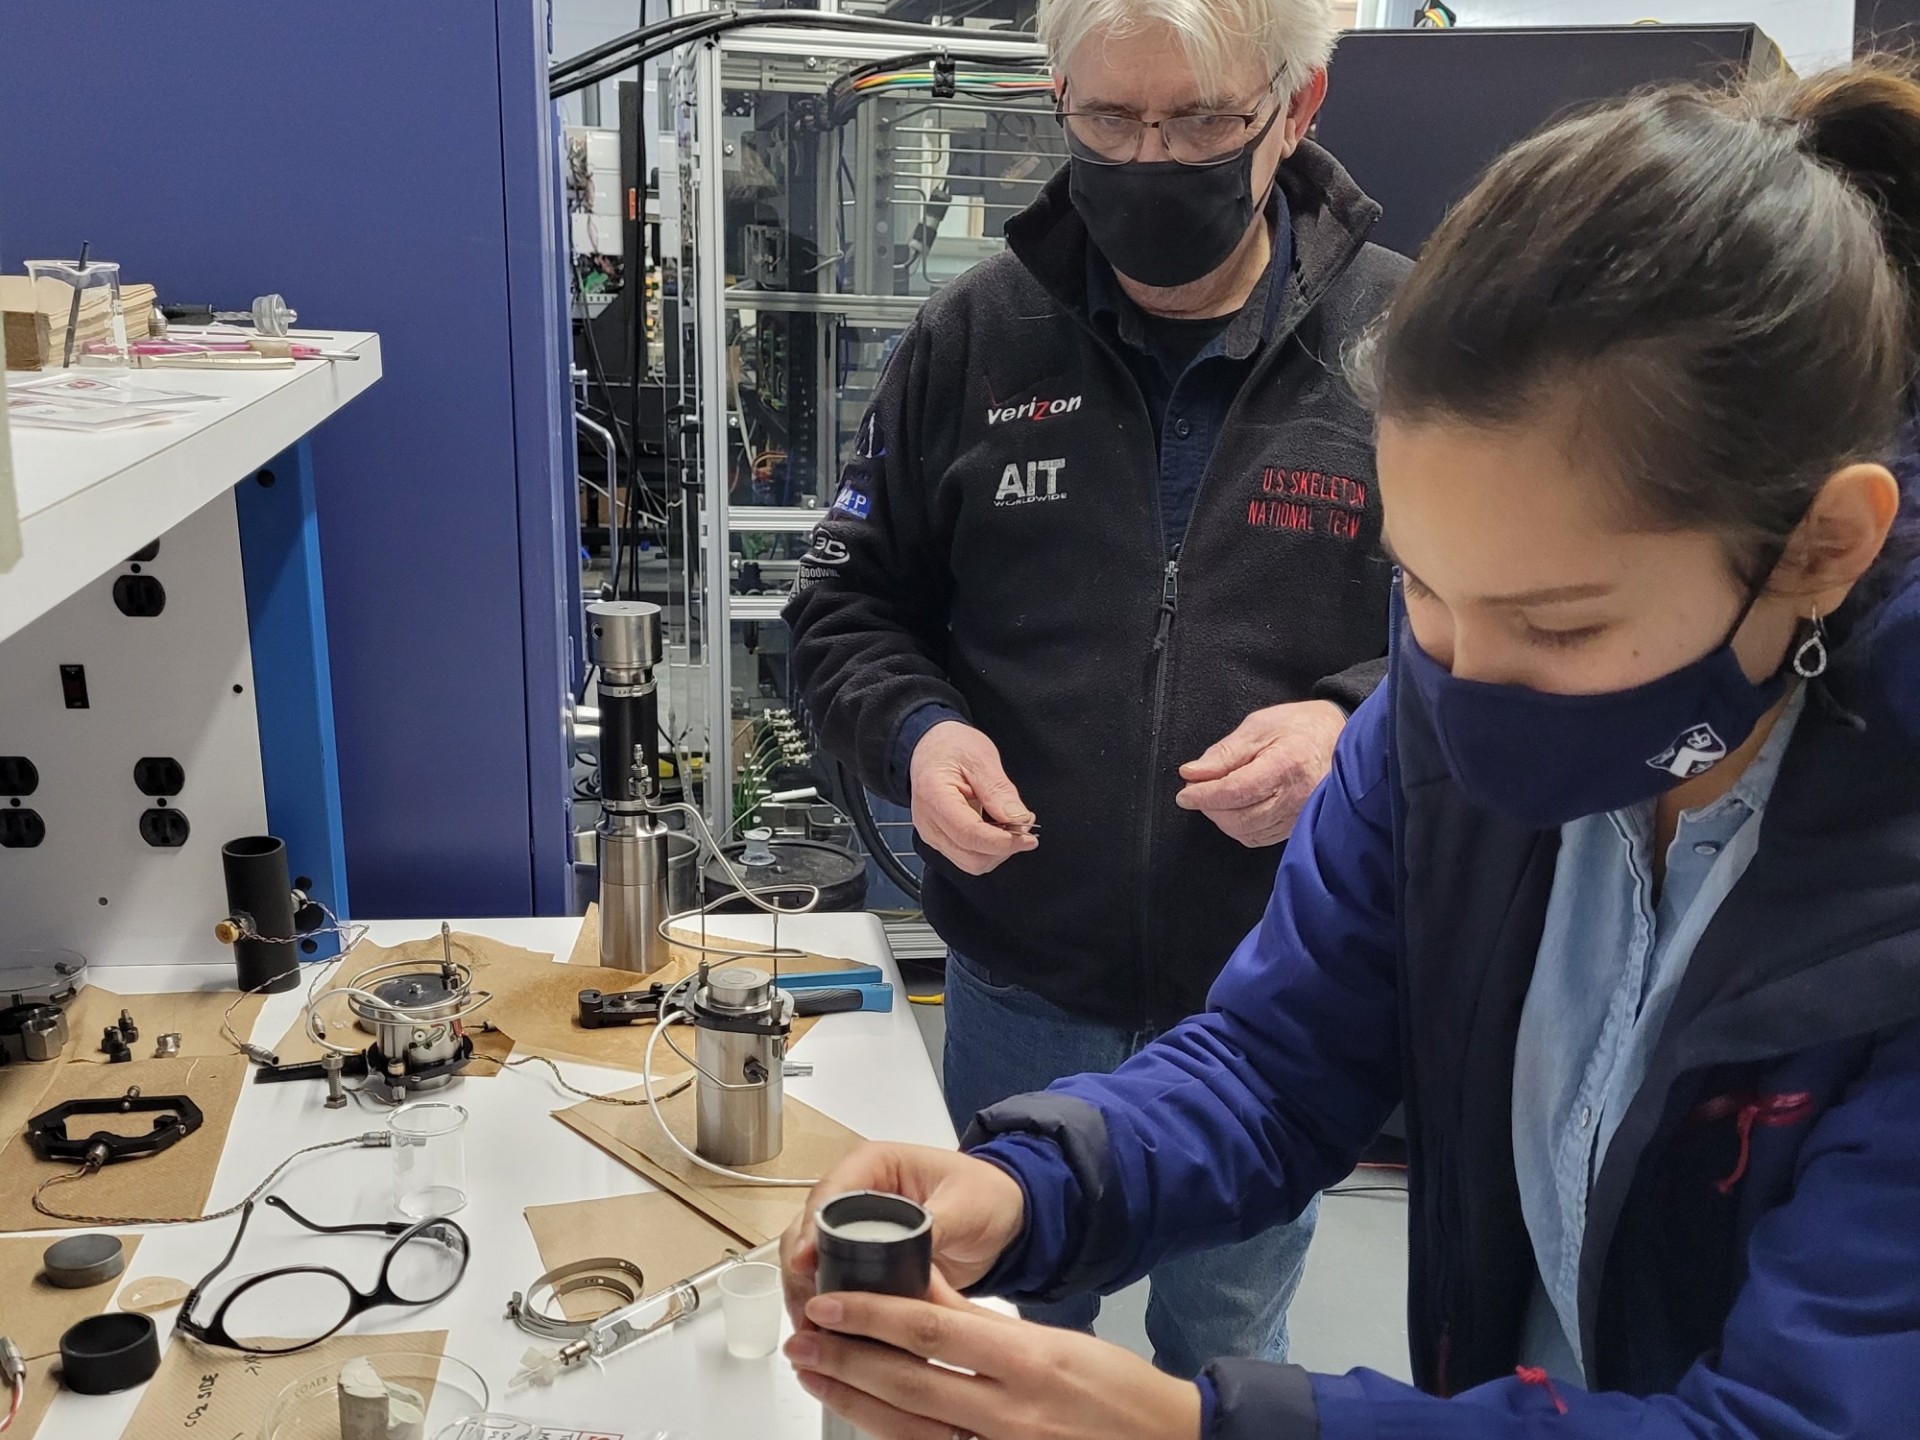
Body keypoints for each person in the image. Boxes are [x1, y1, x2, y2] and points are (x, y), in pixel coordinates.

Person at [778, 60, 1920, 1440]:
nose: (1459, 683)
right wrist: (1037, 1185)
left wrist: (1193, 1428)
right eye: (1424, 592)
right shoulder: (1432, 721)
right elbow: (1275, 1066)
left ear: (1821, 545)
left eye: (1553, 622)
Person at [784, 0, 1407, 1375]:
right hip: (1024, 978)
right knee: (1000, 1329)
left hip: (1275, 994)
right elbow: (842, 606)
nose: (1146, 155)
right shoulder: (974, 338)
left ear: (1295, 111)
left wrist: (1352, 727)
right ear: (1057, 97)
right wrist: (920, 729)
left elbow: (1490, 646)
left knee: (1226, 1339)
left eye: (1196, 121)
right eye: (1107, 119)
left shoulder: (1411, 347)